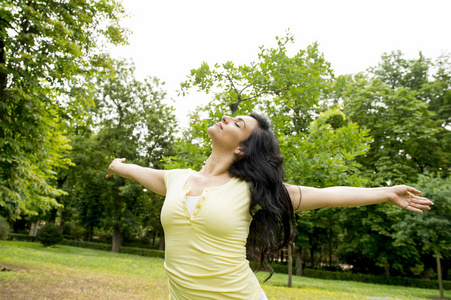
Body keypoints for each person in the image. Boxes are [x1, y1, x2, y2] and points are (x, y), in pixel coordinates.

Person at [106, 112, 433, 300]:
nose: (225, 118)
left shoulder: (253, 190)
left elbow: (329, 194)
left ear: (242, 149)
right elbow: (140, 172)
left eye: (237, 124)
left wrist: (386, 193)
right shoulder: (177, 178)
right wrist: (117, 165)